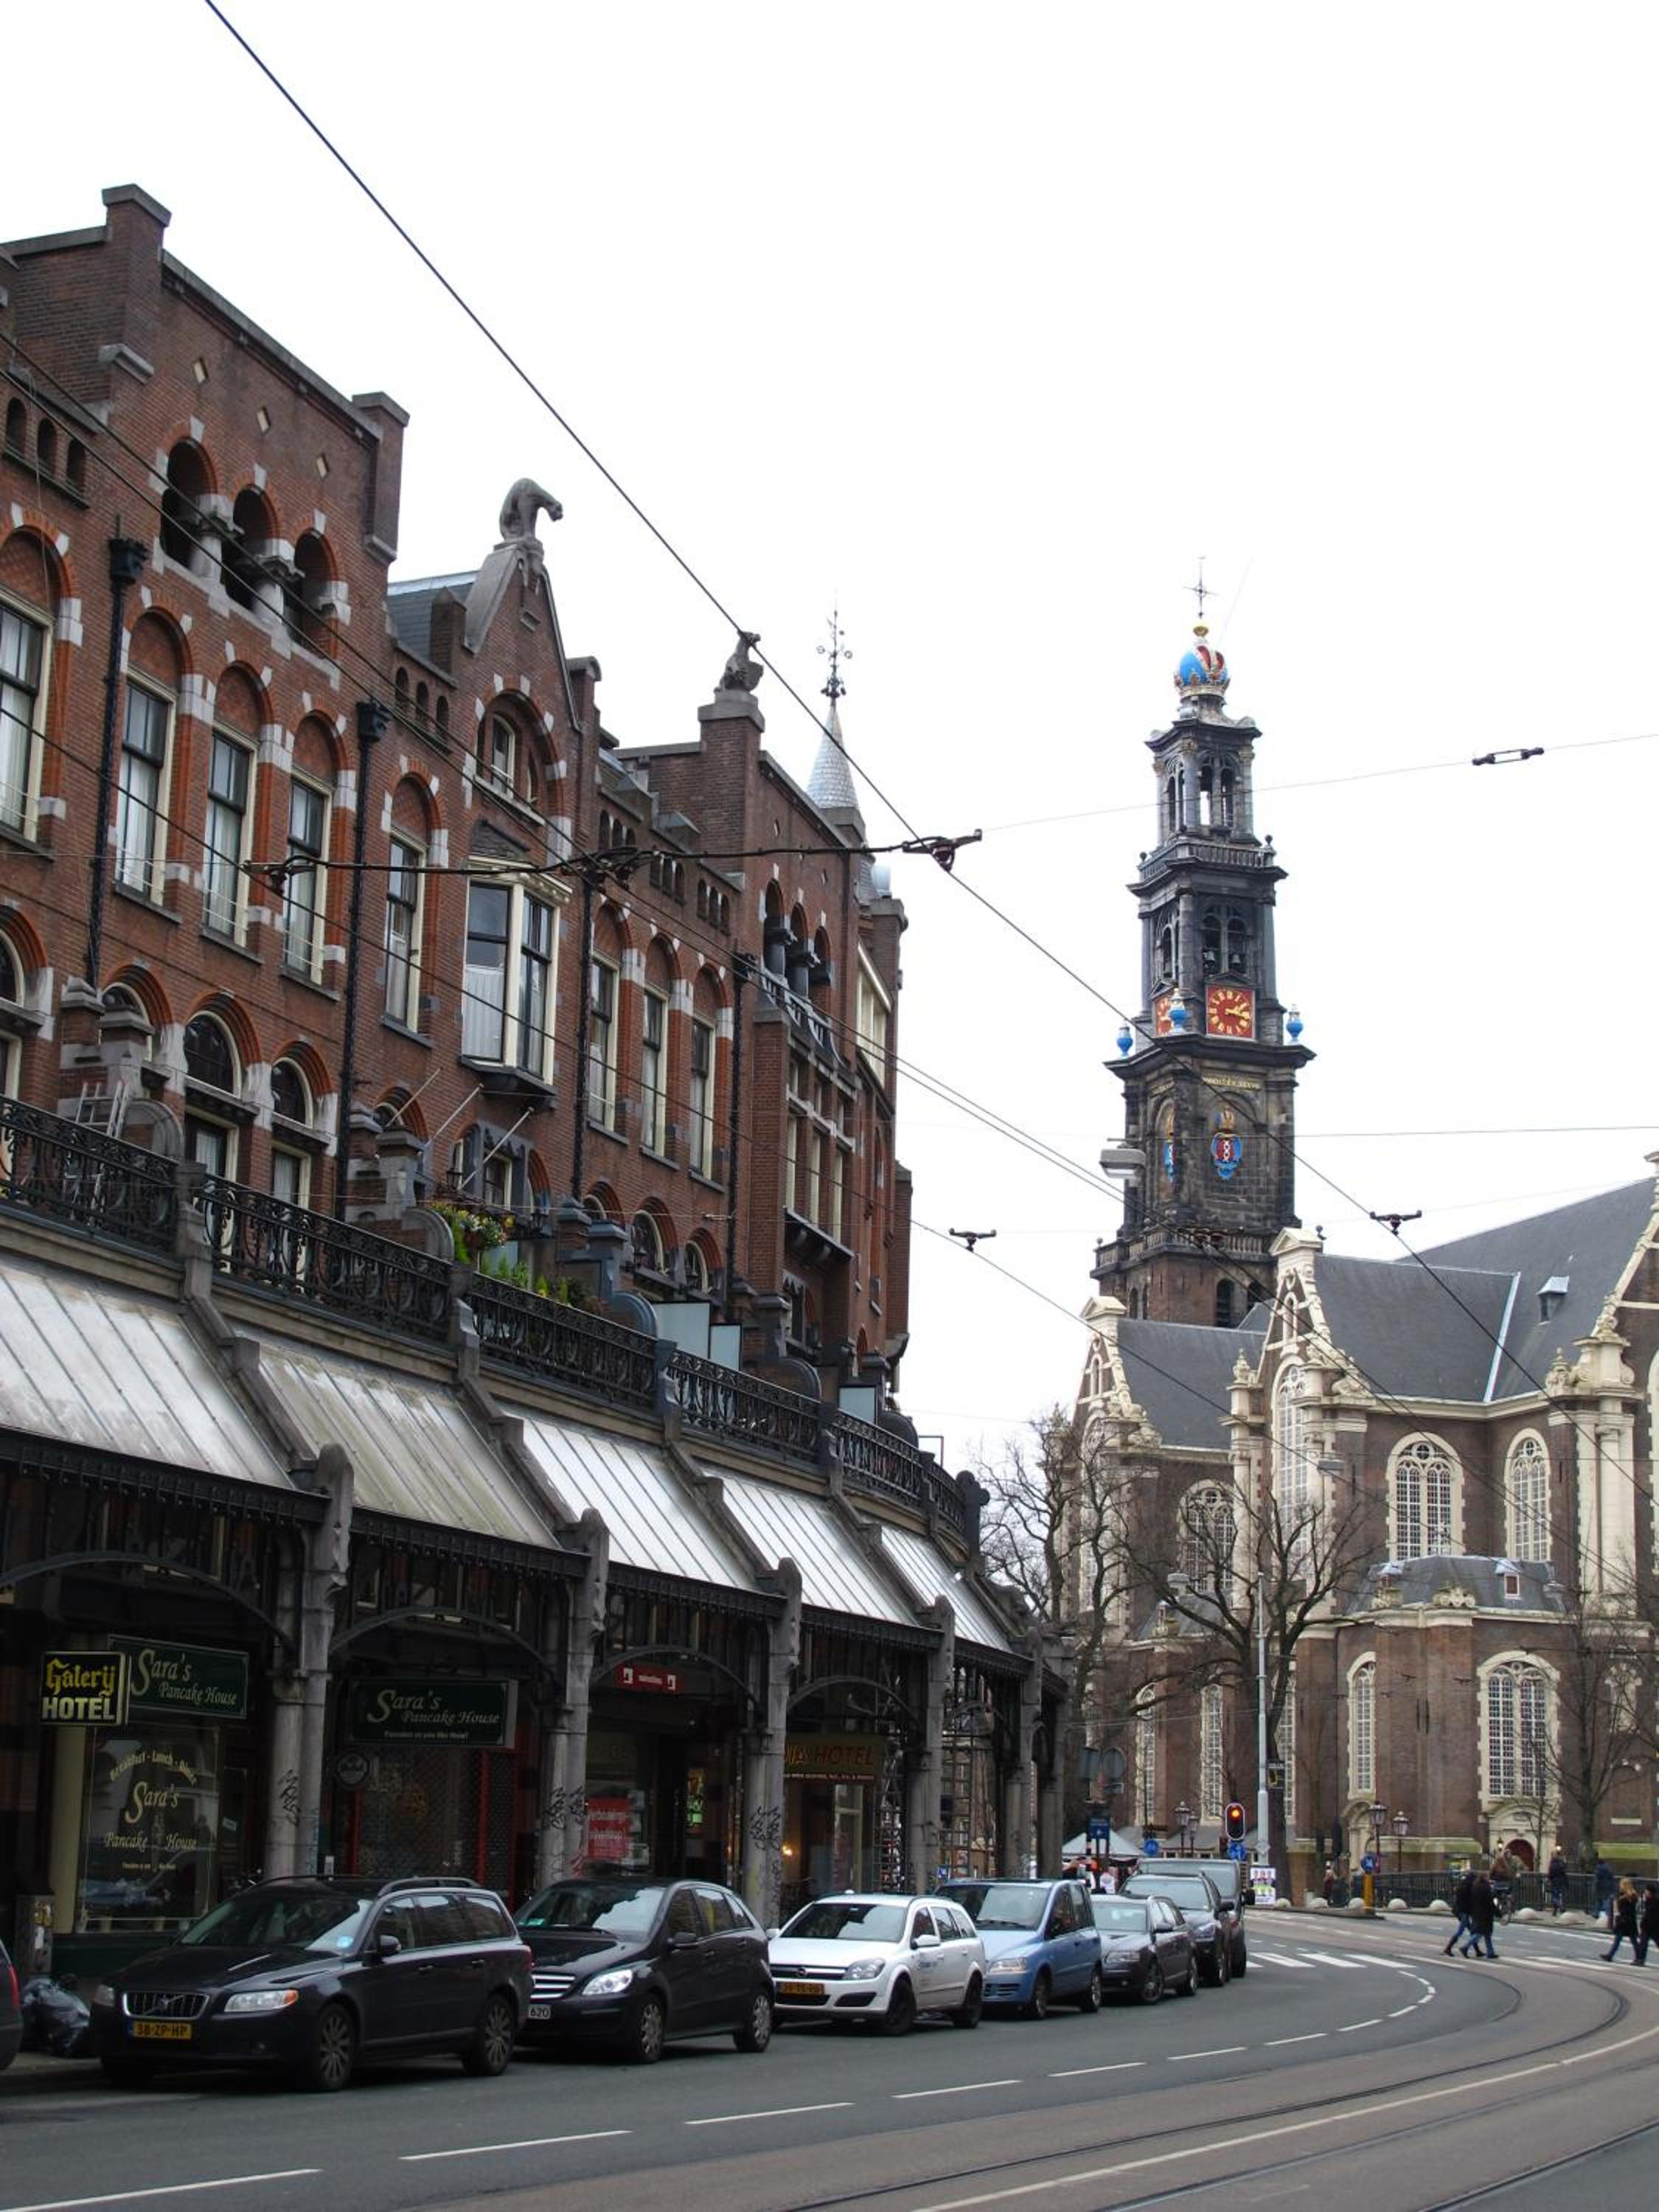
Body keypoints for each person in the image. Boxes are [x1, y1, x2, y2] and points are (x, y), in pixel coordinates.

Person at [1463, 1864, 1498, 1959]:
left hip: (1477, 1912)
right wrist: (1497, 1913)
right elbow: (1490, 1902)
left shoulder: (1475, 1886)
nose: (1489, 1879)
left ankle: (1491, 1952)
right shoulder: (1485, 1888)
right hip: (1485, 1914)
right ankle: (1465, 1947)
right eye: (1488, 1877)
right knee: (1480, 1933)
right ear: (1485, 1878)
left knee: (1487, 1934)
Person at [1604, 1878, 1641, 1962]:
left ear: (1624, 1886)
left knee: (1620, 1939)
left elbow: (1622, 1909)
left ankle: (1610, 1955)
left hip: (1624, 1920)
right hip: (1630, 1920)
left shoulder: (1624, 1897)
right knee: (1632, 1940)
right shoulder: (1633, 1895)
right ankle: (1639, 1957)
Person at [1445, 1865, 1476, 1956]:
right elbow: (1468, 1903)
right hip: (1463, 1912)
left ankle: (1477, 1950)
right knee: (1461, 1931)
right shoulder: (1468, 1889)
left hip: (1460, 1911)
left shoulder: (1462, 1886)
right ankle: (1448, 1948)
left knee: (1472, 1931)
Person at [1636, 1883, 1659, 1966]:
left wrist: (1643, 1924)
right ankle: (1640, 1959)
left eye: (1646, 1891)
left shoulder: (1652, 1902)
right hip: (1653, 1926)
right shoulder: (1651, 1900)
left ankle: (1640, 1960)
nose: (1645, 1892)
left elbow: (1649, 1915)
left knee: (1643, 1944)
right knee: (1644, 1943)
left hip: (1650, 1926)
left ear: (1649, 1892)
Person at [1546, 1848, 1568, 1916]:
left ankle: (1557, 1906)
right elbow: (1564, 1872)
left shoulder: (1552, 1865)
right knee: (1559, 1895)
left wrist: (1549, 1879)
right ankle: (1557, 1908)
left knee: (1554, 1896)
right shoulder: (1561, 1864)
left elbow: (1550, 1874)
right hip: (1561, 1881)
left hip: (1554, 1881)